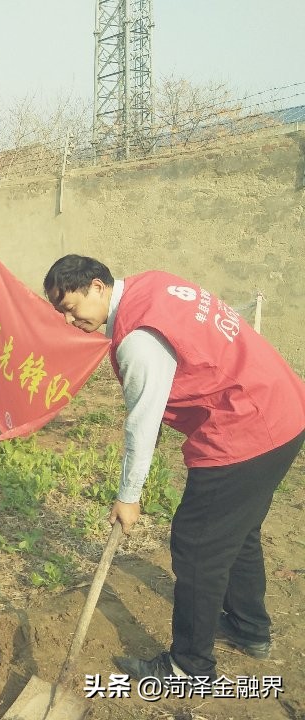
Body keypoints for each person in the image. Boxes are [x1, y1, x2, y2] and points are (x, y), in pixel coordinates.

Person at [43, 254, 305, 683]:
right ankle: (248, 628)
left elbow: (142, 423)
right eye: (62, 313)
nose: (71, 321)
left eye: (71, 308)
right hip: (284, 408)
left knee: (198, 547)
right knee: (238, 533)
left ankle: (188, 665)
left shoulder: (137, 339)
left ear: (96, 286)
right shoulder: (154, 284)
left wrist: (128, 496)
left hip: (247, 429)